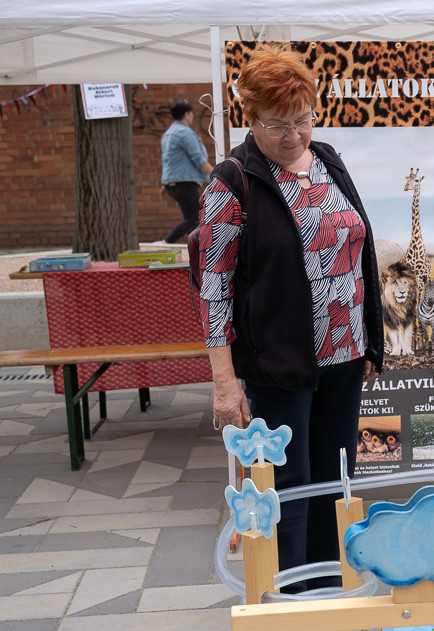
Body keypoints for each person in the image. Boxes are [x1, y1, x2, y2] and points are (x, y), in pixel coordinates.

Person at [191, 44, 383, 592]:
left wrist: (370, 342)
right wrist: (225, 384)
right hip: (278, 363)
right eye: (278, 125)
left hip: (345, 357)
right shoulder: (232, 182)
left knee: (334, 481)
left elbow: (359, 250)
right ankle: (292, 606)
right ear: (249, 118)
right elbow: (213, 288)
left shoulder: (328, 160)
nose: (294, 135)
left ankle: (328, 596)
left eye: (303, 119)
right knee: (288, 486)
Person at [160, 100, 212, 244]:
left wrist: (166, 183)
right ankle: (167, 242)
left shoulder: (168, 134)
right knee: (193, 219)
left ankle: (194, 250)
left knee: (192, 220)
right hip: (185, 183)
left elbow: (170, 160)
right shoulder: (185, 133)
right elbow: (198, 159)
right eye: (191, 113)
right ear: (186, 114)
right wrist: (217, 174)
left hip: (173, 183)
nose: (192, 116)